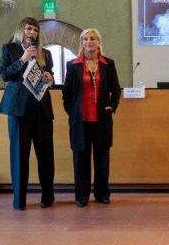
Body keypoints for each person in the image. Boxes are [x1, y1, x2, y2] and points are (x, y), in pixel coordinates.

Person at [0, 17, 55, 211]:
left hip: (41, 109)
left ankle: (48, 197)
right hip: (18, 109)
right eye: (29, 28)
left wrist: (50, 78)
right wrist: (22, 60)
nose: (32, 33)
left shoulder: (45, 53)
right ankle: (19, 200)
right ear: (21, 30)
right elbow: (4, 75)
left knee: (46, 155)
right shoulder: (9, 49)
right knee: (19, 155)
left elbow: (51, 79)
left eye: (35, 30)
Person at [62, 28, 120, 207]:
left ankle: (102, 193)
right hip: (80, 119)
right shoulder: (73, 65)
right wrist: (72, 112)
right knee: (81, 159)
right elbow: (66, 92)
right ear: (82, 43)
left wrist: (112, 106)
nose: (89, 41)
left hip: (101, 119)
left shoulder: (108, 64)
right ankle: (82, 195)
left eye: (93, 38)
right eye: (85, 38)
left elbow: (116, 89)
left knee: (102, 158)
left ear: (99, 42)